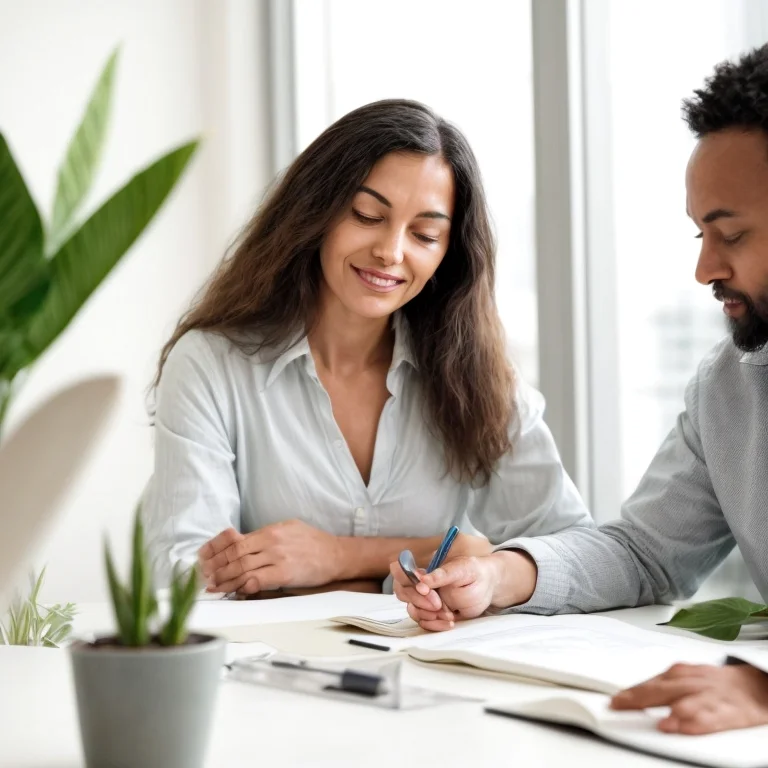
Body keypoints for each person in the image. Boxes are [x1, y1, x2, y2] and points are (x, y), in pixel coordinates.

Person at [392, 45, 768, 734]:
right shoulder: (728, 389)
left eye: (732, 234)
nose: (705, 267)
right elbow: (646, 552)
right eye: (699, 234)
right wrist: (500, 577)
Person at [142, 99, 592, 598]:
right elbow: (185, 578)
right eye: (367, 215)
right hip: (272, 669)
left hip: (435, 667)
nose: (391, 251)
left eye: (424, 234)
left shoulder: (478, 376)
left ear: (448, 253)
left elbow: (573, 551)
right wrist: (449, 548)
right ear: (316, 212)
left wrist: (334, 558)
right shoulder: (212, 365)